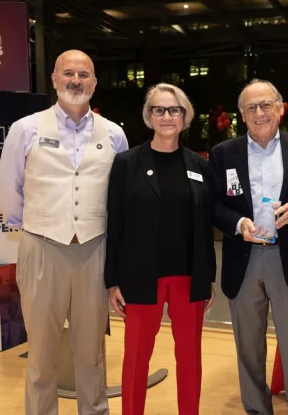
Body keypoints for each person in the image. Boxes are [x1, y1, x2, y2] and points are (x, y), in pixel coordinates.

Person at [0, 49, 128, 415]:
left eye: (84, 74)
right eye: (68, 73)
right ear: (54, 79)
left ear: (95, 83)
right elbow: (9, 189)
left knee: (91, 352)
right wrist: (39, 225)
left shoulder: (114, 135)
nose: (75, 80)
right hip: (42, 249)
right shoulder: (26, 129)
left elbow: (120, 197)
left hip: (94, 251)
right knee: (42, 352)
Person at [208, 78, 288, 415]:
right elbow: (214, 205)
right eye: (252, 107)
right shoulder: (223, 154)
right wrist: (237, 224)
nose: (260, 112)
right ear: (241, 114)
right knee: (248, 347)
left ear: (279, 108)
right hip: (243, 258)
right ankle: (256, 410)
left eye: (266, 105)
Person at [105, 83, 216, 415]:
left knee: (190, 359)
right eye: (159, 109)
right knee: (136, 358)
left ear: (185, 117)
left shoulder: (200, 165)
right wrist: (113, 279)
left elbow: (205, 226)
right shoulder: (126, 163)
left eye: (174, 110)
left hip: (187, 276)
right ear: (148, 116)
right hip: (141, 277)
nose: (167, 116)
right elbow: (116, 223)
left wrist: (207, 277)